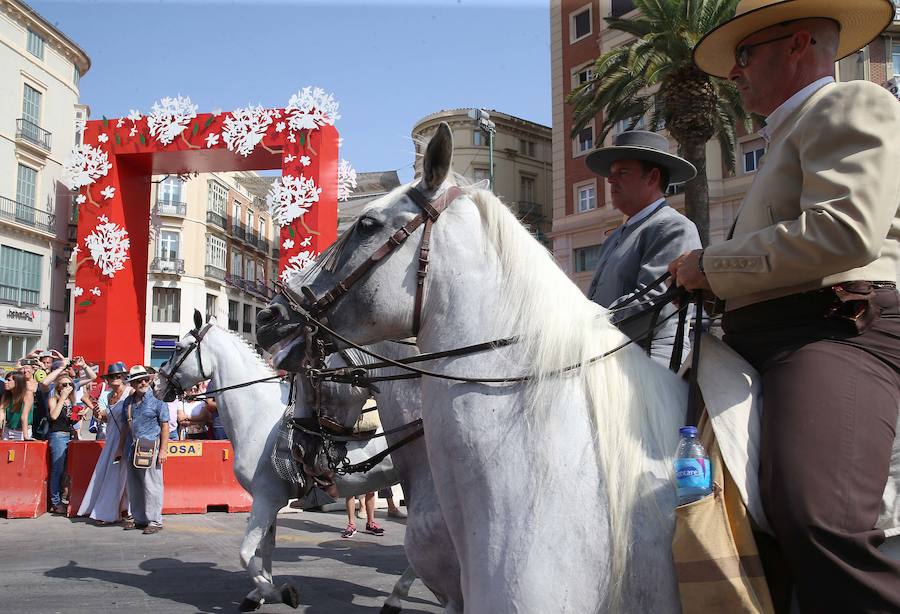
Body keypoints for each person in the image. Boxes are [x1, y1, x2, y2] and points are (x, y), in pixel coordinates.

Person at [670, 2, 900, 611]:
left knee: (818, 515)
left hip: (835, 329)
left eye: (743, 56)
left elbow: (844, 233)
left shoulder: (853, 104)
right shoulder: (781, 141)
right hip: (758, 337)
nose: (734, 75)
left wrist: (710, 266)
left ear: (798, 44)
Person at [584, 130, 701, 367]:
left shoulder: (673, 227)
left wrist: (588, 322)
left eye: (622, 172)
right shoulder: (615, 236)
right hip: (607, 354)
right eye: (611, 173)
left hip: (650, 360)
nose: (610, 180)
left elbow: (650, 302)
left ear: (652, 177)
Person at [116, 365, 169, 535]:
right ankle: (139, 518)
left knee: (152, 485)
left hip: (150, 448)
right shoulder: (128, 402)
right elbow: (124, 426)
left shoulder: (158, 401)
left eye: (145, 379)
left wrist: (163, 450)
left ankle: (155, 520)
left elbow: (165, 427)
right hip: (132, 448)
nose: (143, 383)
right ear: (133, 383)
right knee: (135, 485)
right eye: (139, 381)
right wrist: (119, 448)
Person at [78, 362, 131, 524]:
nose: (115, 379)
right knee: (110, 475)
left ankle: (121, 510)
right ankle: (114, 510)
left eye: (118, 376)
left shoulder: (130, 392)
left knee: (124, 477)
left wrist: (122, 446)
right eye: (111, 376)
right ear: (107, 380)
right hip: (111, 437)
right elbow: (107, 417)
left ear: (123, 377)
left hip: (127, 437)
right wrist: (98, 415)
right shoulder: (107, 396)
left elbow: (129, 421)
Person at [47, 373, 84, 513]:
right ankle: (56, 503)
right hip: (58, 436)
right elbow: (54, 416)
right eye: (64, 384)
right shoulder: (54, 399)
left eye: (70, 384)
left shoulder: (72, 401)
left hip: (70, 436)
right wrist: (62, 397)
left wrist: (79, 416)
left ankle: (65, 498)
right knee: (57, 469)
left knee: (67, 471)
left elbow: (72, 422)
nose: (68, 387)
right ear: (58, 387)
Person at [0, 370, 34, 440]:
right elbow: (1, 413)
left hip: (21, 432)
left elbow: (24, 416)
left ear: (17, 382)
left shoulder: (27, 394)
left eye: (9, 380)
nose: (5, 382)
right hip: (7, 430)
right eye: (6, 380)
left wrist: (26, 437)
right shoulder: (6, 395)